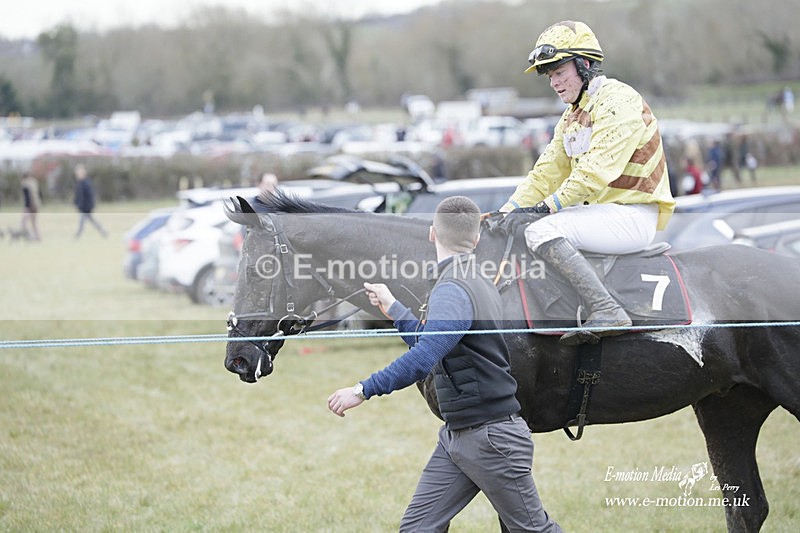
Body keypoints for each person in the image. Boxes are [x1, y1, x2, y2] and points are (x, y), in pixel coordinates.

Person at [328, 196, 561, 533]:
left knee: (533, 530)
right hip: (457, 437)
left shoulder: (453, 288)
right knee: (418, 528)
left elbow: (424, 357)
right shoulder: (473, 279)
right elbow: (438, 344)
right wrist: (395, 309)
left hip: (491, 439)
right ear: (476, 239)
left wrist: (362, 390)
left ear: (432, 233)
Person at [496, 20, 675, 345]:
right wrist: (506, 211)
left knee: (540, 230)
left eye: (559, 72)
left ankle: (608, 309)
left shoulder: (619, 101)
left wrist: (544, 208)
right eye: (549, 75)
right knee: (524, 227)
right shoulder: (572, 115)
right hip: (601, 215)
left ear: (585, 65)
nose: (554, 82)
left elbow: (595, 171)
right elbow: (546, 172)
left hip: (633, 216)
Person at [73, 164, 108, 238]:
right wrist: (76, 203)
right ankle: (103, 232)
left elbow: (90, 196)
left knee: (82, 221)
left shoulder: (86, 183)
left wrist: (90, 206)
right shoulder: (80, 183)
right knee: (92, 220)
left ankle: (78, 235)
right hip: (83, 207)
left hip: (86, 207)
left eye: (79, 173)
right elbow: (78, 196)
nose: (77, 175)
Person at [20, 173, 42, 241]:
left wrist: (26, 207)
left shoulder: (25, 184)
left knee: (23, 222)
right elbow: (39, 194)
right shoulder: (34, 183)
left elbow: (27, 197)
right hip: (36, 205)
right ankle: (38, 237)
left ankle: (29, 237)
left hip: (29, 206)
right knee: (34, 222)